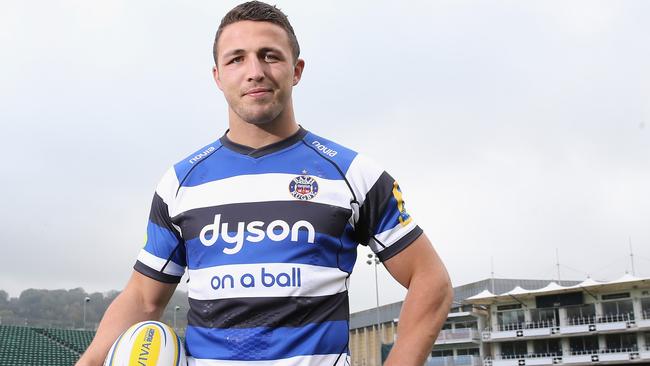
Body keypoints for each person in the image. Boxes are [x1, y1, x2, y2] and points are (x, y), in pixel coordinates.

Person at [76, 2, 453, 365]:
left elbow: (430, 279)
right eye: (236, 58)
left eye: (269, 55)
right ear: (218, 76)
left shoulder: (354, 175)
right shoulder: (180, 183)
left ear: (297, 70)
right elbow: (143, 299)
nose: (254, 71)